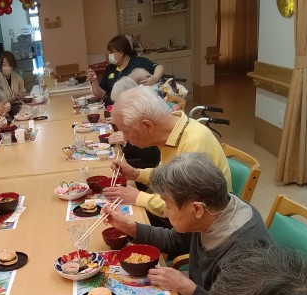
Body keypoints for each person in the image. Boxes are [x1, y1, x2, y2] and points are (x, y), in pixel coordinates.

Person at [103, 153, 271, 295]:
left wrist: (186, 288)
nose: (165, 212)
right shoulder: (215, 209)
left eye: (168, 205)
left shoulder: (245, 249)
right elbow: (176, 241)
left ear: (196, 209)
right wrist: (128, 227)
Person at [102, 85, 232, 219]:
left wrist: (138, 197)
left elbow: (185, 206)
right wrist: (136, 174)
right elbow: (169, 178)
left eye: (126, 131)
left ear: (147, 125)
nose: (125, 137)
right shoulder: (171, 134)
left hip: (203, 222)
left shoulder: (193, 142)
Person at [86, 35, 164, 105]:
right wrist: (94, 81)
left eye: (112, 52)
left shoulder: (139, 62)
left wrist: (155, 78)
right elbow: (101, 94)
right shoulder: (110, 69)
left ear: (121, 52)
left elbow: (159, 67)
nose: (110, 55)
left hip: (135, 106)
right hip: (113, 108)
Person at [108, 77, 160, 181]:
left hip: (148, 168)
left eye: (118, 103)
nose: (115, 106)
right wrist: (135, 174)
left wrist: (127, 141)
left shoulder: (149, 118)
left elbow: (154, 154)